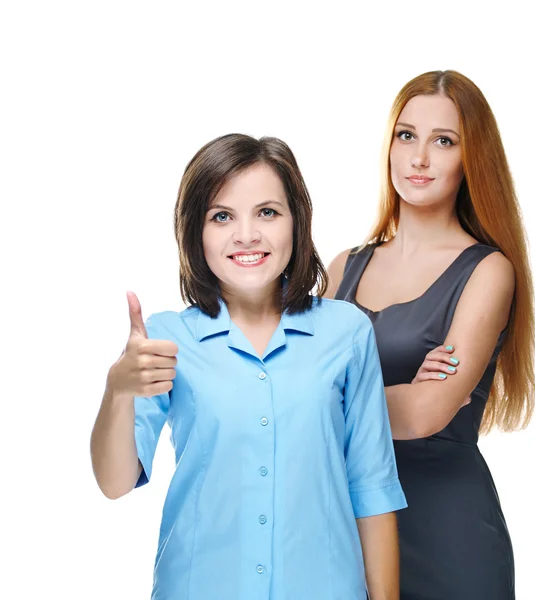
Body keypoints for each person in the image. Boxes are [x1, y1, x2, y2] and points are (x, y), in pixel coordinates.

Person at [90, 134, 407, 600]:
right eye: (222, 216)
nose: (246, 235)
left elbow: (372, 488)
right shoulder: (165, 339)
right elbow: (115, 483)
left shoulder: (347, 332)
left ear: (297, 221)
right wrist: (116, 391)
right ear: (194, 231)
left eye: (267, 212)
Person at [327, 70, 535, 599]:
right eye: (407, 135)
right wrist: (402, 398)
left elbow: (428, 413)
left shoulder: (488, 271)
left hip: (449, 533)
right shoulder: (341, 268)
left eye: (443, 141)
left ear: (472, 160)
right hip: (347, 525)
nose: (419, 157)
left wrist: (335, 401)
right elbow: (295, 390)